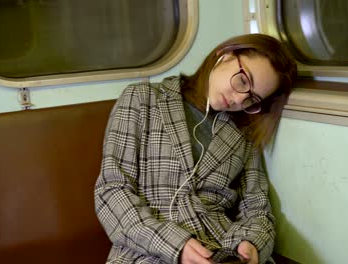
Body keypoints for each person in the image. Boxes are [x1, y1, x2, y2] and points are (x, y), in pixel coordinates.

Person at [94, 33, 297, 264]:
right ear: (226, 55)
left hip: (222, 249)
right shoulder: (143, 99)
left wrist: (251, 244)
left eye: (251, 99)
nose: (239, 99)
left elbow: (257, 206)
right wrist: (175, 245)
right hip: (145, 249)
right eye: (242, 81)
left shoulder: (243, 133)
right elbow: (111, 191)